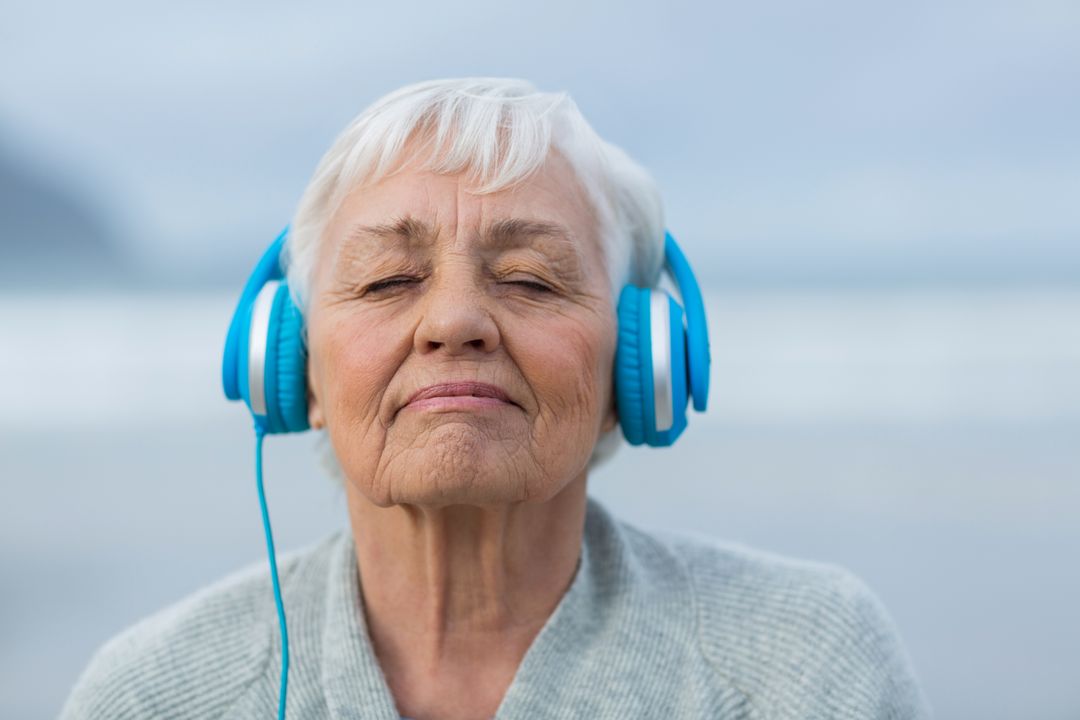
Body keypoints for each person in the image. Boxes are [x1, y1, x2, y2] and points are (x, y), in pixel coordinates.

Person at [59, 77, 932, 719]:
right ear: (294, 370)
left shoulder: (811, 667)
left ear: (641, 366)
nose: (455, 321)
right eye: (388, 280)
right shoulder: (150, 694)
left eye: (530, 280)